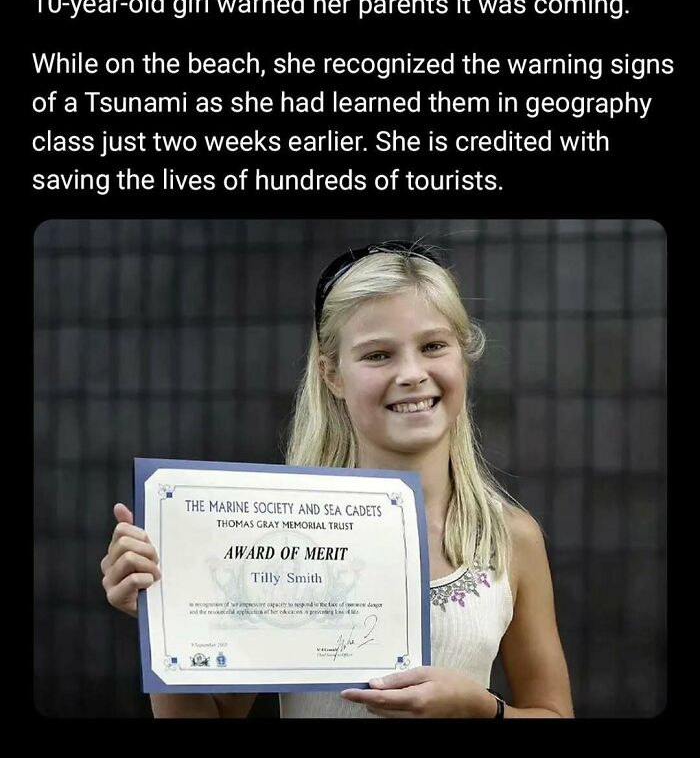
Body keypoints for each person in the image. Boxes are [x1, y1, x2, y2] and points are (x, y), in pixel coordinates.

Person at [101, 240, 574, 718]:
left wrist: (480, 710)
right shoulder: (271, 532)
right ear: (332, 376)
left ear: (462, 355)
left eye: (433, 346)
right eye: (378, 355)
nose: (411, 373)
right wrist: (162, 624)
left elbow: (555, 712)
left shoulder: (509, 538)